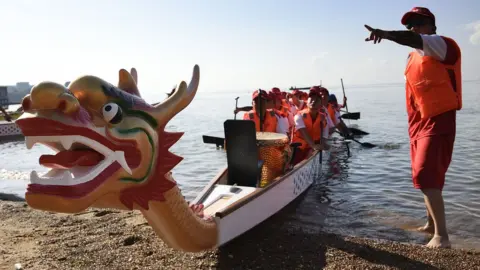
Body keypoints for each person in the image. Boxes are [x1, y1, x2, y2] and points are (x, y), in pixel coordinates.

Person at [364, 7, 461, 248]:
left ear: (431, 26)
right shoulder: (412, 57)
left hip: (439, 119)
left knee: (425, 173)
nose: (413, 27)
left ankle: (442, 236)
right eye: (410, 25)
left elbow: (413, 39)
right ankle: (431, 224)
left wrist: (385, 34)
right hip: (417, 124)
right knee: (425, 176)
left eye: (418, 22)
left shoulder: (443, 45)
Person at [290, 86, 330, 165]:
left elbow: (325, 133)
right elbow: (303, 131)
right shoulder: (299, 116)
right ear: (307, 102)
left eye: (317, 100)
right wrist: (314, 146)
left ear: (321, 104)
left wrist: (323, 144)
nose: (313, 102)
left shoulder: (323, 117)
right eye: (311, 99)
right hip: (298, 148)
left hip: (312, 148)